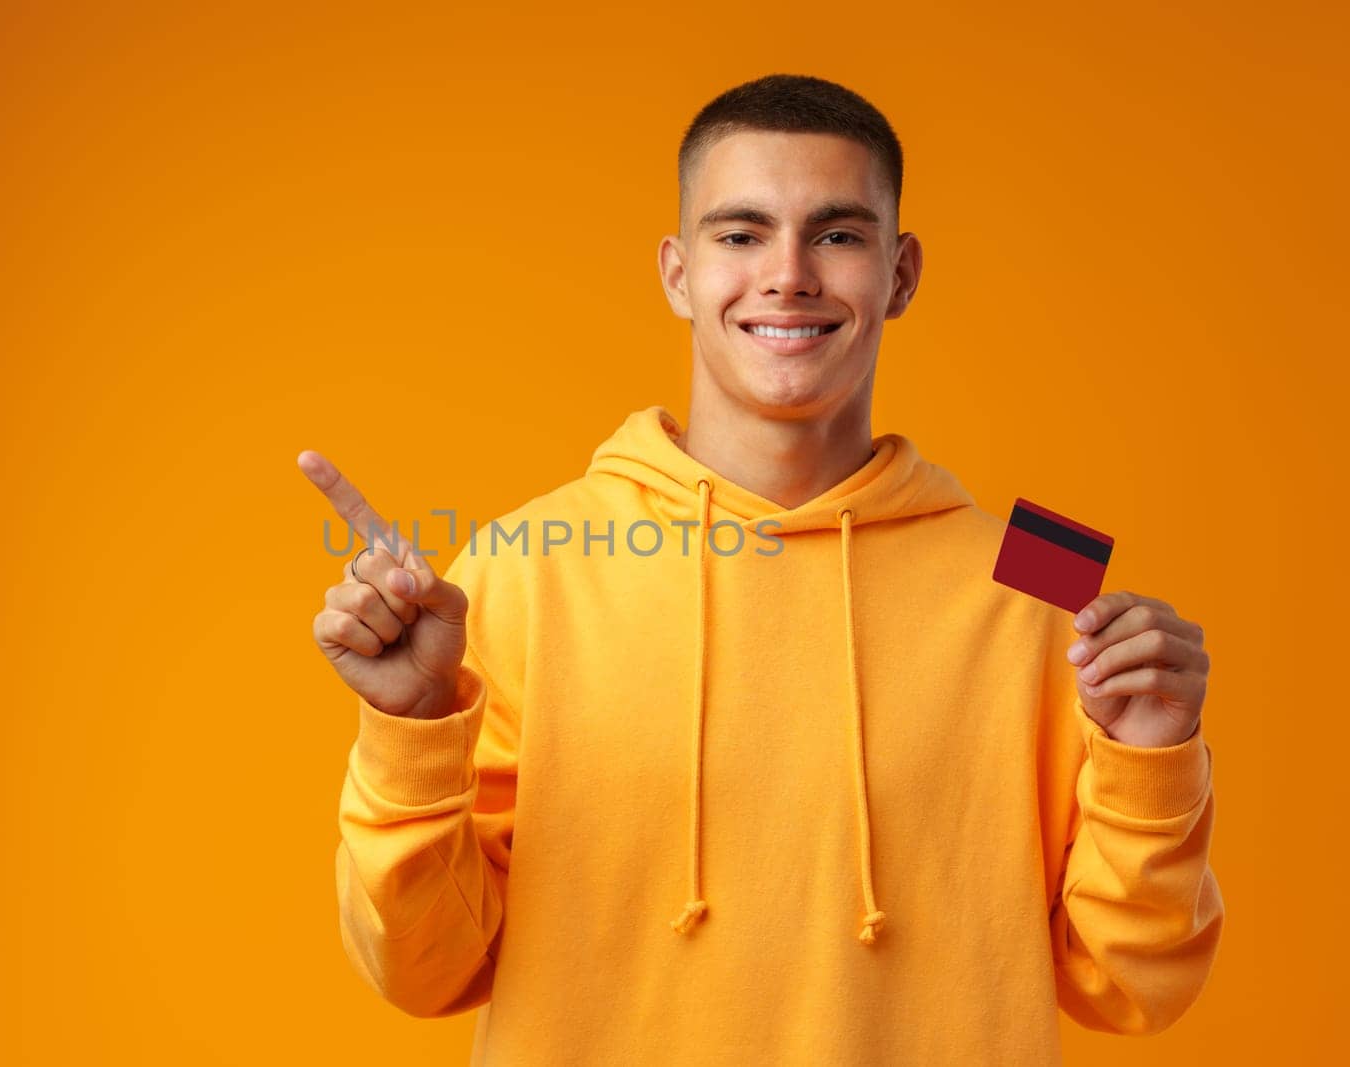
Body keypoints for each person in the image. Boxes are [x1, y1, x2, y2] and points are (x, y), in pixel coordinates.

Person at [299, 73, 1222, 1065]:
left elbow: (1132, 984)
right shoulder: (520, 568)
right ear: (678, 273)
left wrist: (1155, 763)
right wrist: (411, 728)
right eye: (740, 235)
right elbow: (421, 970)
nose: (787, 275)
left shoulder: (1044, 574)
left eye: (836, 234)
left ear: (901, 273)